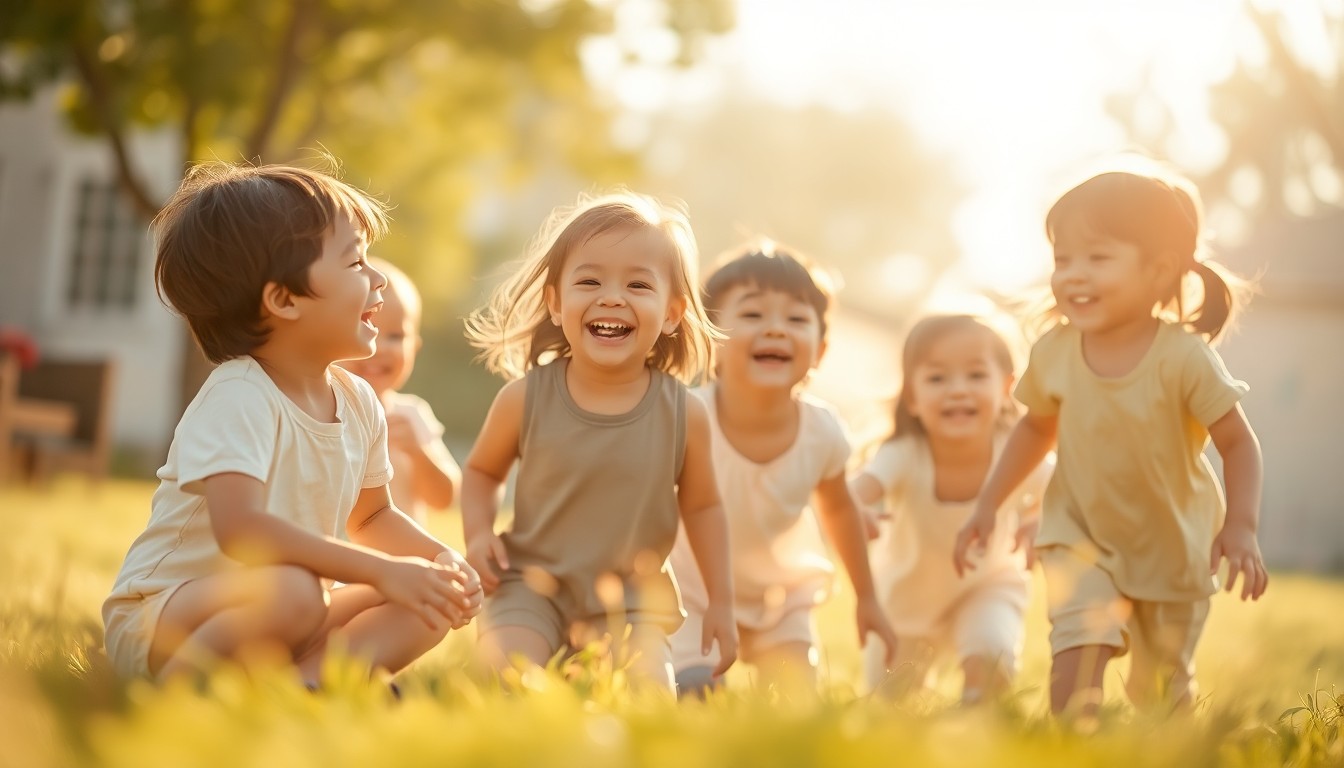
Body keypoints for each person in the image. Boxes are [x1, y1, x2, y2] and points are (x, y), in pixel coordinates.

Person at [102, 162, 482, 687]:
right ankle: (183, 692)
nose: (376, 280)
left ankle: (306, 685)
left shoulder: (360, 401)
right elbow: (242, 530)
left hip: (288, 609)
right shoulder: (241, 395)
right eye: (354, 262)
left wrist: (439, 559)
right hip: (168, 617)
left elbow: (372, 519)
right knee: (297, 591)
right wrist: (380, 571)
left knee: (431, 597)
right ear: (284, 299)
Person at [953, 166, 1268, 719]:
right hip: (1081, 536)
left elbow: (1238, 444)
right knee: (1076, 657)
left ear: (1159, 270)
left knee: (1160, 694)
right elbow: (1034, 428)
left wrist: (1240, 524)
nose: (1074, 275)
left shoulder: (1184, 359)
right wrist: (988, 502)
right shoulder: (1055, 351)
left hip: (1173, 546)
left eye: (1097, 259)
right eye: (1063, 260)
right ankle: (1070, 743)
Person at [460, 190, 737, 693]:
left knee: (647, 699)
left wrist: (721, 600)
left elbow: (704, 508)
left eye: (637, 283)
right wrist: (479, 534)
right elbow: (481, 473)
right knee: (503, 681)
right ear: (556, 301)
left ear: (672, 313)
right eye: (589, 280)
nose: (612, 297)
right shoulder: (524, 399)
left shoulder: (684, 414)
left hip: (631, 603)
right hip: (528, 587)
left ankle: (681, 684)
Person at [666, 243, 897, 698]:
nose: (775, 330)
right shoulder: (687, 419)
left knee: (794, 700)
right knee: (695, 695)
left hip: (780, 597)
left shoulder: (822, 431)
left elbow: (840, 511)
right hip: (693, 596)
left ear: (821, 350)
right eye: (752, 316)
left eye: (796, 320)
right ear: (711, 340)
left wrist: (867, 598)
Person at [851, 313, 1051, 705]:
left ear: (1008, 387)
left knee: (991, 657)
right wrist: (855, 508)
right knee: (888, 705)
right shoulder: (906, 454)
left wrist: (1039, 519)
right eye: (937, 378)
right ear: (912, 397)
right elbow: (854, 490)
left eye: (976, 376)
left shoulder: (1015, 451)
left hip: (987, 584)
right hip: (904, 602)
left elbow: (1067, 489)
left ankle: (975, 720)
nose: (957, 390)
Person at [339, 257, 462, 526]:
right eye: (365, 328)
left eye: (395, 336)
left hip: (404, 559)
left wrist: (417, 453)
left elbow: (445, 498)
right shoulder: (323, 413)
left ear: (414, 347)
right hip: (342, 558)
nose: (380, 347)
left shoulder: (411, 415)